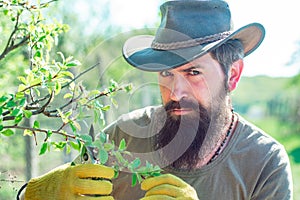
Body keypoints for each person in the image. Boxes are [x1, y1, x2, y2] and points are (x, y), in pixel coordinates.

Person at [19, 0, 293, 199]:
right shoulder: (121, 138)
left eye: (193, 72)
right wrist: (33, 194)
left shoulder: (264, 163)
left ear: (232, 75)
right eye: (166, 73)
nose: (175, 92)